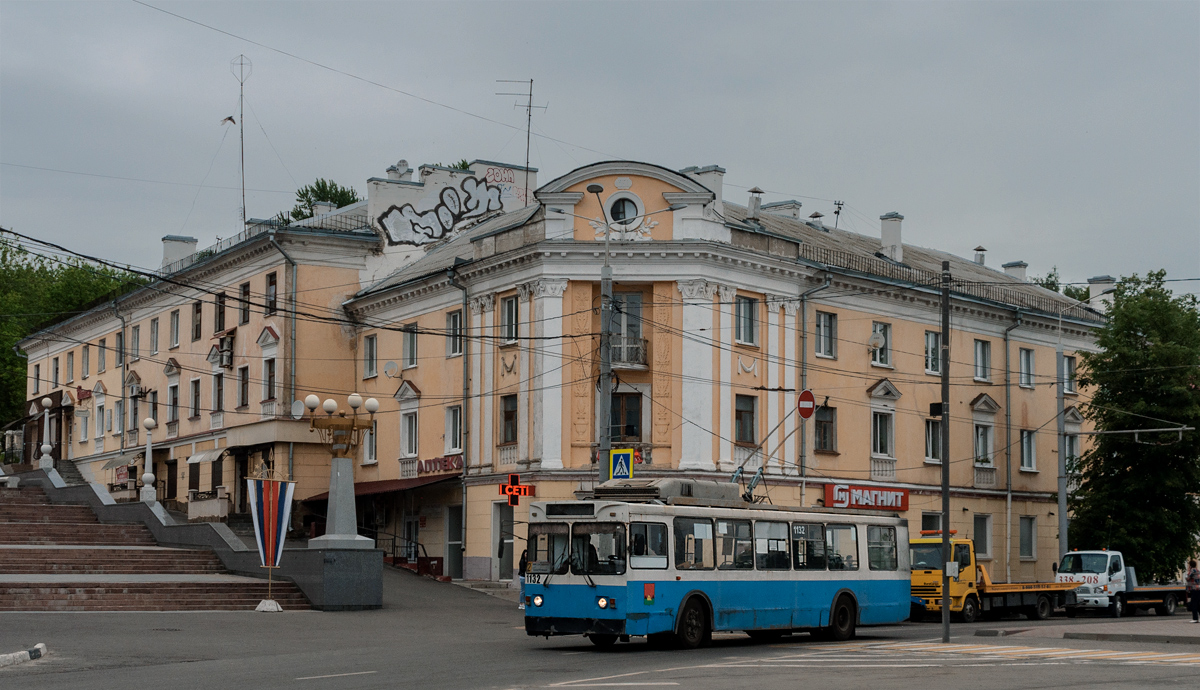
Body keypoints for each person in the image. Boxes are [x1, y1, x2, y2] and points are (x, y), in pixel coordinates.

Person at [1187, 559, 1200, 623]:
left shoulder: (1192, 570)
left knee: (1194, 604)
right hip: (1198, 588)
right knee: (1198, 604)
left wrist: (1188, 571)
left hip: (1194, 589)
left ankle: (1195, 618)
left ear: (1190, 565)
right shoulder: (1198, 570)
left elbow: (1188, 578)